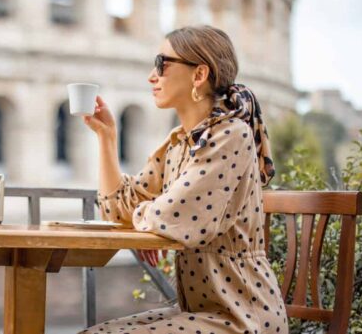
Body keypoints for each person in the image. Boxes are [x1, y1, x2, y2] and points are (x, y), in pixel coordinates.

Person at [79, 25, 287, 334]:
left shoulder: (231, 136)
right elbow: (118, 211)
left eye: (161, 64)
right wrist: (107, 138)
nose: (152, 76)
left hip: (243, 318)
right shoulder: (180, 142)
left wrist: (150, 217)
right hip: (201, 313)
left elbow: (173, 216)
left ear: (199, 74)